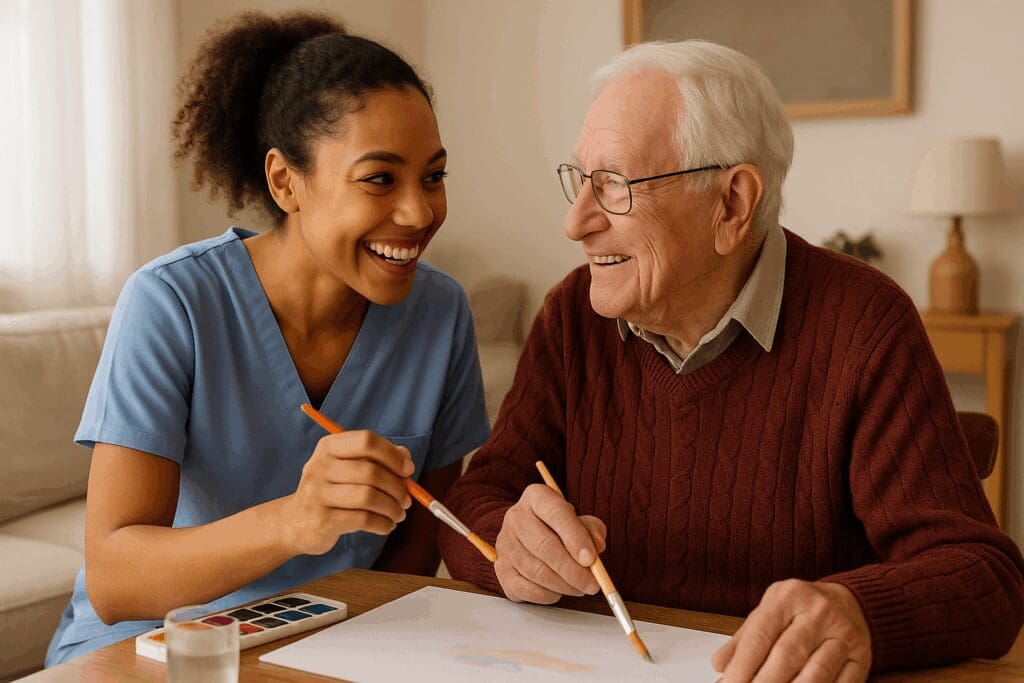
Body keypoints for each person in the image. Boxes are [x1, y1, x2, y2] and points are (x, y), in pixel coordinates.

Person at [439, 40, 1024, 680]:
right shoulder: (574, 316)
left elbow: (985, 577)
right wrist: (506, 544)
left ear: (732, 204)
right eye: (581, 180)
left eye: (613, 185)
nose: (575, 222)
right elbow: (475, 499)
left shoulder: (864, 325)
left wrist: (858, 612)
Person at [46, 11, 489, 665]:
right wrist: (294, 521)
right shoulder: (172, 303)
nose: (420, 212)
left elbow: (415, 552)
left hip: (335, 640)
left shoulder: (441, 313)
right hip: (160, 644)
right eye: (379, 178)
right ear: (287, 181)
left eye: (434, 175)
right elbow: (115, 579)